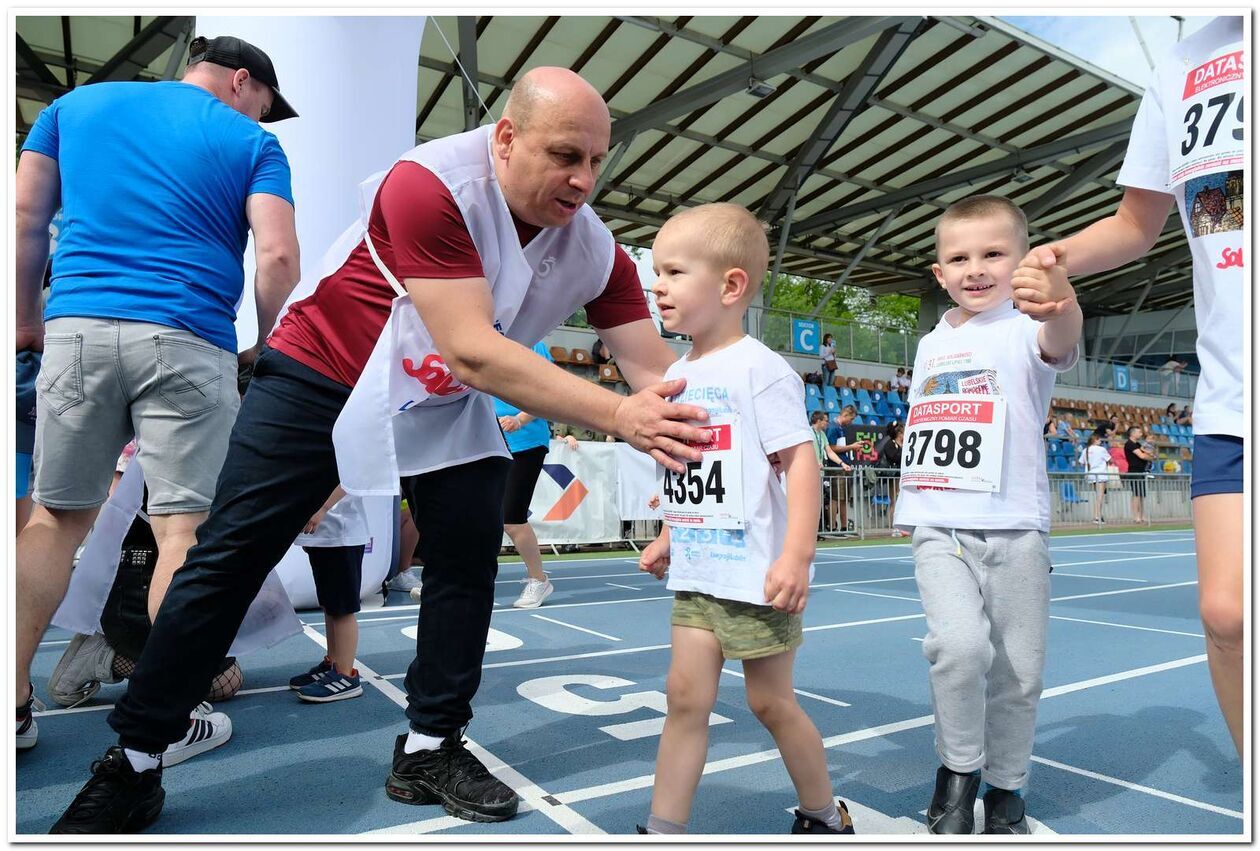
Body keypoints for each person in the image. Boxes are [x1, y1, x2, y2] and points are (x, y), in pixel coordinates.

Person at [49, 67, 713, 834]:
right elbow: (472, 350)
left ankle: (430, 743)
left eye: (598, 160)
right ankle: (134, 760)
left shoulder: (592, 246)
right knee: (228, 553)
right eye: (567, 155)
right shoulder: (428, 183)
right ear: (505, 138)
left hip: (438, 394)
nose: (584, 179)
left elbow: (655, 372)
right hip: (327, 367)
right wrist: (624, 418)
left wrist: (723, 435)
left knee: (466, 552)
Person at [15, 34, 299, 758]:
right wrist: (267, 343)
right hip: (187, 333)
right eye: (267, 104)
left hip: (75, 323)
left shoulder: (72, 107)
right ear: (243, 82)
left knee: (53, 522)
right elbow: (276, 256)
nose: (266, 118)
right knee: (184, 534)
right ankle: (164, 720)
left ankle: (10, 702)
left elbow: (24, 218)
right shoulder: (251, 142)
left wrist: (24, 315)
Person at [1018, 16, 1243, 757]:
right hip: (1233, 397)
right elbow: (1134, 224)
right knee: (1226, 614)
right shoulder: (1184, 65)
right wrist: (1053, 256)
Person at [636, 202, 854, 836]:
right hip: (699, 575)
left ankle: (822, 812)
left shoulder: (761, 370)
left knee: (769, 702)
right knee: (685, 700)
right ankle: (663, 828)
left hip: (757, 578)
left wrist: (796, 556)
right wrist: (671, 533)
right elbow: (691, 464)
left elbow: (801, 460)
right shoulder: (676, 374)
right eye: (656, 272)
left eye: (674, 272)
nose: (658, 285)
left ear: (731, 286)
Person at [893, 195, 1080, 834]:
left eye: (993, 254)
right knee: (958, 646)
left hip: (1016, 526)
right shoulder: (928, 344)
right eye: (959, 257)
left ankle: (1007, 788)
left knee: (1019, 671)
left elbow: (1061, 338)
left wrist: (1062, 303)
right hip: (938, 523)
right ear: (939, 272)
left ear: (1021, 262)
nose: (976, 268)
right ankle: (957, 773)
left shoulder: (1027, 329)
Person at [494, 341, 581, 609]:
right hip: (487, 439)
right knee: (480, 515)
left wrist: (520, 419)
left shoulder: (534, 342)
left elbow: (549, 392)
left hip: (525, 441)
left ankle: (538, 579)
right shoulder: (486, 334)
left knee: (512, 517)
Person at [288, 487, 370, 702]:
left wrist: (323, 507)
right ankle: (333, 662)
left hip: (341, 534)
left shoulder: (348, 452)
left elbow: (350, 479)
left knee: (342, 609)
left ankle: (345, 675)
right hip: (323, 534)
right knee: (330, 605)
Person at [811, 412, 850, 532]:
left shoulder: (822, 434)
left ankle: (817, 531)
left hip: (819, 473)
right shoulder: (808, 433)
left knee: (818, 503)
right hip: (810, 472)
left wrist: (842, 463)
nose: (827, 423)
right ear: (818, 421)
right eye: (825, 420)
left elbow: (829, 452)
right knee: (810, 503)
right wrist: (814, 462)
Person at [824, 407, 860, 531]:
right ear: (845, 414)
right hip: (836, 467)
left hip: (843, 467)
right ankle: (833, 527)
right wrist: (851, 447)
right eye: (851, 418)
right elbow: (830, 448)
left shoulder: (840, 428)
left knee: (844, 498)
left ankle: (844, 527)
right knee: (835, 498)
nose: (851, 421)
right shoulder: (833, 428)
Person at [875, 420, 905, 536]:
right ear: (899, 434)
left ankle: (903, 525)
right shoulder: (890, 444)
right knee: (895, 501)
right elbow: (894, 457)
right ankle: (895, 526)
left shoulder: (906, 445)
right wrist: (901, 448)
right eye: (903, 433)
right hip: (893, 477)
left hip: (902, 476)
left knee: (901, 501)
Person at [1123, 426, 1155, 524]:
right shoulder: (1130, 444)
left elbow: (1147, 453)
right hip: (1134, 471)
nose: (1141, 433)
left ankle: (1141, 515)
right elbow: (1141, 455)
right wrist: (1149, 456)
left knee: (1141, 495)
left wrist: (1150, 454)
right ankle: (1136, 516)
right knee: (1136, 494)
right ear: (1132, 433)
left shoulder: (1137, 444)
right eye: (1139, 432)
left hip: (1141, 471)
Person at [1079, 434, 1111, 524]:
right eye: (1099, 440)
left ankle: (1098, 515)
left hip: (1090, 474)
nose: (1100, 441)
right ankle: (1096, 516)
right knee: (1100, 496)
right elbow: (1109, 459)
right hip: (1101, 474)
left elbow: (1081, 462)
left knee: (1098, 495)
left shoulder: (1085, 450)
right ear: (1095, 440)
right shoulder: (1101, 449)